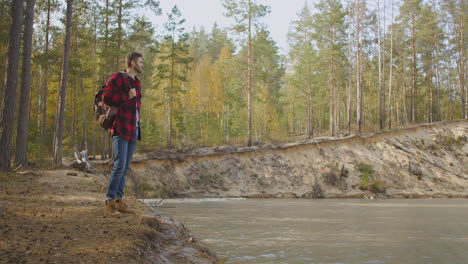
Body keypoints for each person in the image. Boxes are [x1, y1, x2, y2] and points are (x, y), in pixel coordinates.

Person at [103, 52, 143, 216]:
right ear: (133, 63)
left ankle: (119, 201)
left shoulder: (137, 82)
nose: (143, 65)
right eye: (141, 62)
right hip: (120, 126)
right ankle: (110, 202)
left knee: (125, 167)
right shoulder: (119, 77)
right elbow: (106, 96)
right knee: (119, 166)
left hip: (133, 128)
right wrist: (125, 96)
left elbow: (135, 107)